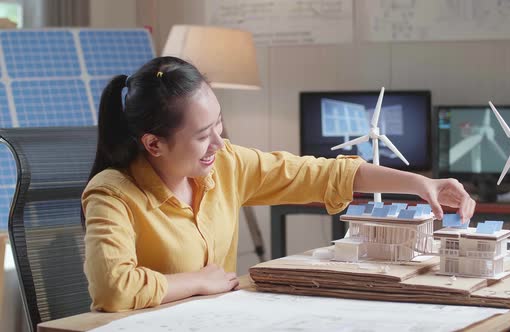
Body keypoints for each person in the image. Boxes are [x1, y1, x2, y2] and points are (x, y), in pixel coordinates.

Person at [83, 56, 475, 312]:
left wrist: (419, 183)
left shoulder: (226, 165)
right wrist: (198, 281)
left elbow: (320, 174)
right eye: (203, 135)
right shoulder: (112, 193)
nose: (219, 142)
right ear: (153, 143)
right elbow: (113, 288)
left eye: (218, 123)